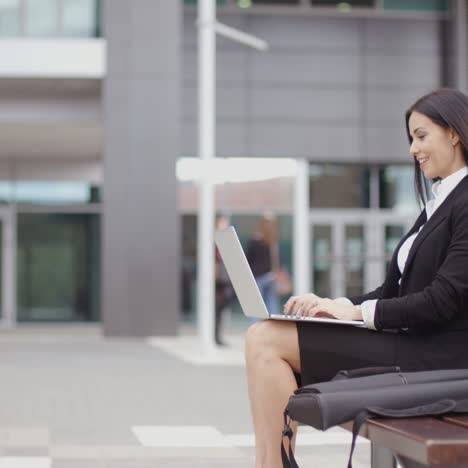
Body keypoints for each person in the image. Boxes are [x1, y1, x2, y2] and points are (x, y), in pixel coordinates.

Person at [244, 88, 468, 468]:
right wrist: (337, 306)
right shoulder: (440, 202)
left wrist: (359, 315)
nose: (414, 149)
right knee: (263, 337)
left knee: (266, 340)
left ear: (454, 133)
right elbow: (393, 290)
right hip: (411, 344)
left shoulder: (463, 201)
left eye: (421, 135)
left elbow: (442, 299)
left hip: (436, 357)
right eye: (411, 138)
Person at [246, 214, 280, 315]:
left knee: (256, 308)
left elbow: (248, 259)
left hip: (258, 278)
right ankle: (273, 328)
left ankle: (258, 329)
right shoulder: (272, 241)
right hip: (270, 277)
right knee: (271, 307)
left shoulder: (254, 242)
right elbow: (276, 261)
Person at [215, 215, 234, 346]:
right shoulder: (214, 240)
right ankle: (215, 337)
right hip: (216, 281)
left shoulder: (227, 242)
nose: (225, 226)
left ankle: (217, 337)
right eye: (223, 223)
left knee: (220, 310)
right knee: (216, 310)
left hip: (224, 280)